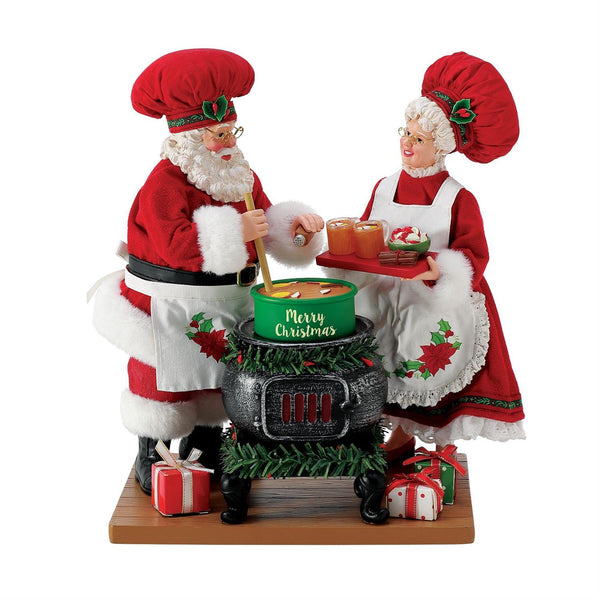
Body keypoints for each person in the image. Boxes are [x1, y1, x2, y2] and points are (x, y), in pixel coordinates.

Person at [91, 49, 324, 493]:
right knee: (163, 382)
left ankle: (208, 447)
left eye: (232, 131)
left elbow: (263, 220)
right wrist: (235, 231)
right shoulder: (163, 184)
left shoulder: (238, 176)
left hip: (227, 300)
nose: (229, 143)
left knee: (219, 381)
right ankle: (152, 451)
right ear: (190, 138)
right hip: (170, 304)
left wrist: (293, 230)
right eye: (218, 135)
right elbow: (175, 245)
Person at [345, 52, 525, 456]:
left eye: (419, 139)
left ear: (439, 147)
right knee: (384, 359)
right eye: (405, 133)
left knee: (429, 362)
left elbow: (474, 254)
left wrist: (440, 271)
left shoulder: (457, 197)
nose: (407, 143)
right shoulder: (384, 186)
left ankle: (437, 445)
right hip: (386, 293)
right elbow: (366, 229)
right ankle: (389, 435)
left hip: (433, 298)